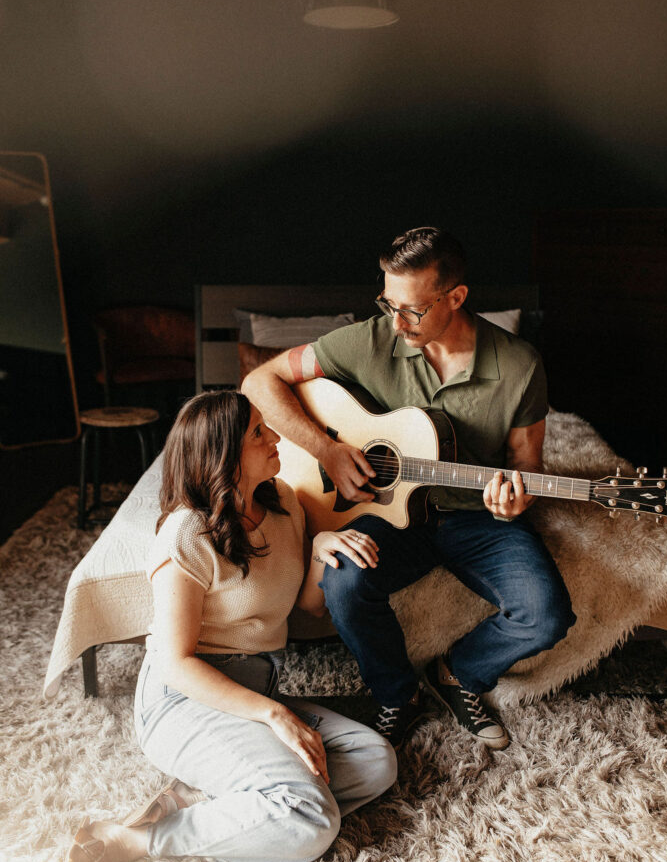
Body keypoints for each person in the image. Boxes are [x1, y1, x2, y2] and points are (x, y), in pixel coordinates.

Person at [61, 390, 396, 862]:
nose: (276, 439)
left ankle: (207, 799)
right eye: (259, 434)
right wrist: (272, 713)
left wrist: (318, 552)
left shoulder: (283, 502)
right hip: (182, 700)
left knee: (376, 762)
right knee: (310, 820)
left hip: (253, 689)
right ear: (222, 456)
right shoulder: (186, 533)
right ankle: (132, 840)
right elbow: (174, 663)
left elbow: (307, 610)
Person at [242, 226, 577, 752]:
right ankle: (398, 694)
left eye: (413, 310)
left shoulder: (519, 365)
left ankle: (458, 674)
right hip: (386, 515)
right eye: (387, 302)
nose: (396, 322)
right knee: (344, 583)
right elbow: (259, 382)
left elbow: (524, 467)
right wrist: (328, 450)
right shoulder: (371, 339)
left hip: (477, 519)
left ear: (456, 297)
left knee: (547, 614)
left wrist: (514, 504)